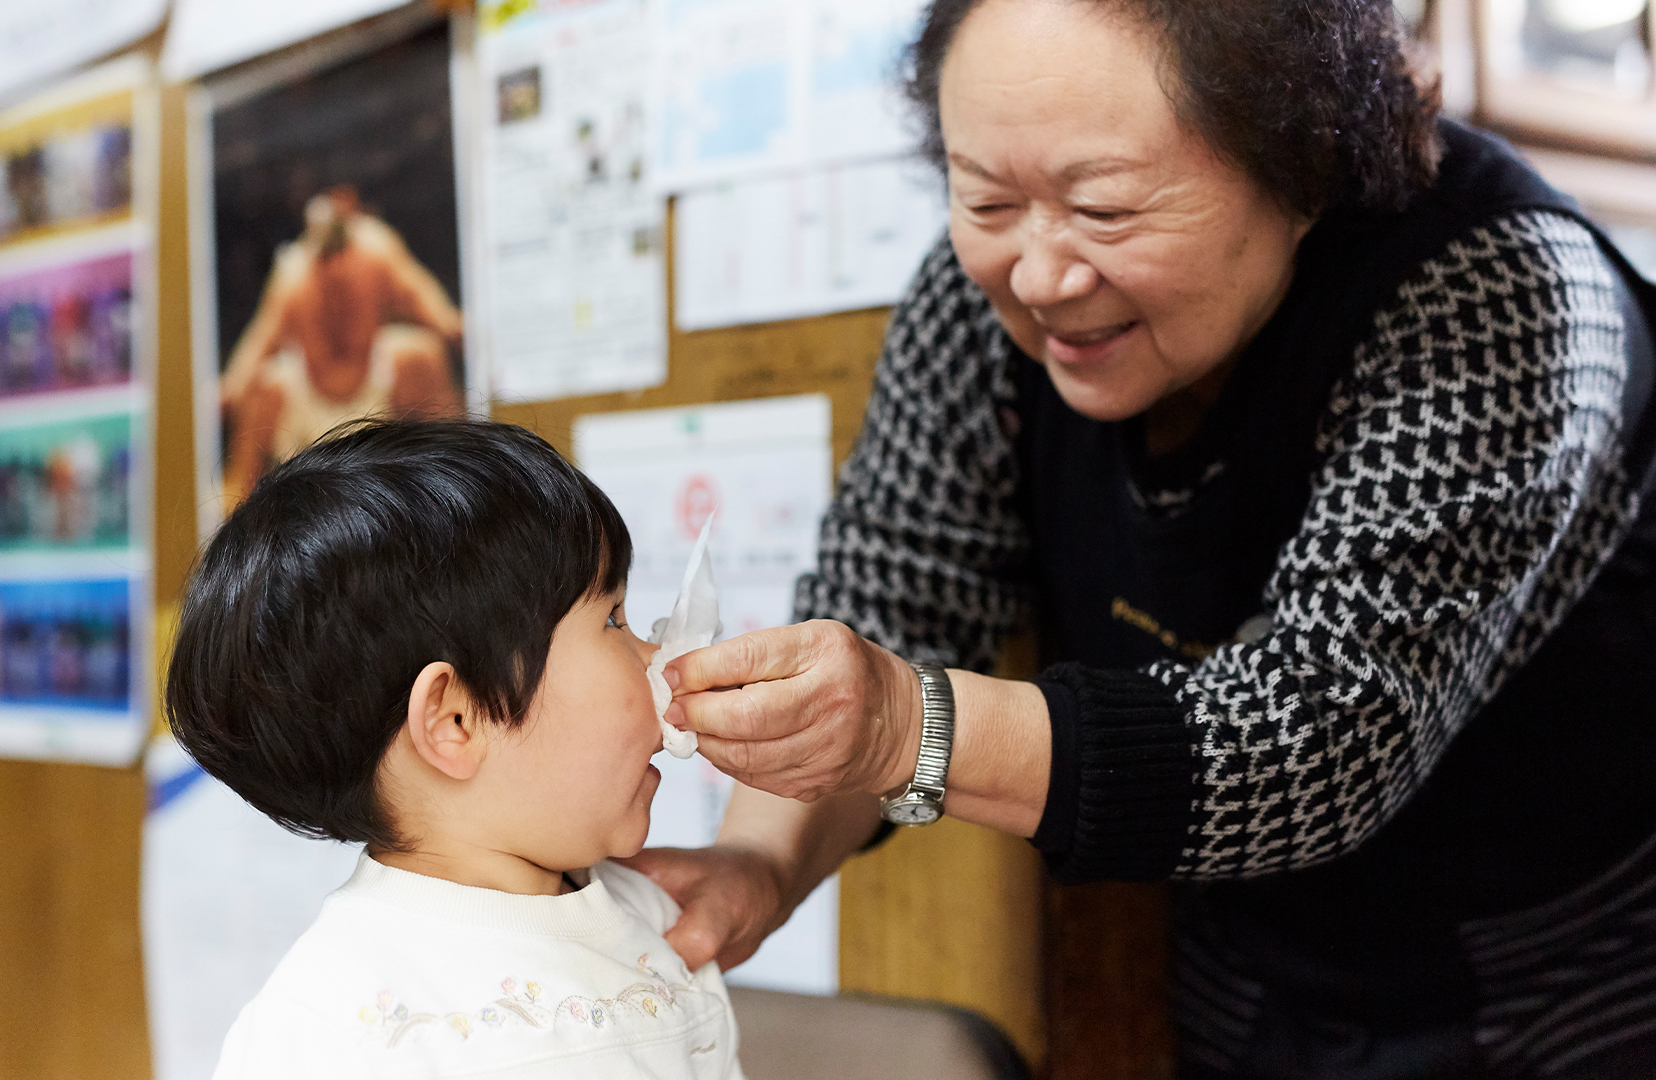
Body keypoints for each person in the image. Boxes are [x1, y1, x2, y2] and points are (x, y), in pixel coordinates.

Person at [628, 1, 1656, 1077]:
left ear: (1303, 161)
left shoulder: (1497, 289)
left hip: (1571, 964)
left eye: (1106, 210)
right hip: (1249, 970)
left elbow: (1327, 731)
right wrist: (756, 864)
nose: (1038, 276)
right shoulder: (981, 309)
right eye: (983, 197)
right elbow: (892, 599)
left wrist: (907, 724)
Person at [166, 420, 746, 1080]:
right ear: (456, 720)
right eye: (613, 619)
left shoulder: (655, 922)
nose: (656, 656)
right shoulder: (323, 1031)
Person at [220, 187, 466, 501]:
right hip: (306, 417)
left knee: (420, 357)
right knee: (263, 389)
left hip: (380, 400)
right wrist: (233, 386)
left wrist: (450, 324)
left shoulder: (377, 248)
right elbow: (262, 335)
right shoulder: (293, 272)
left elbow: (419, 293)